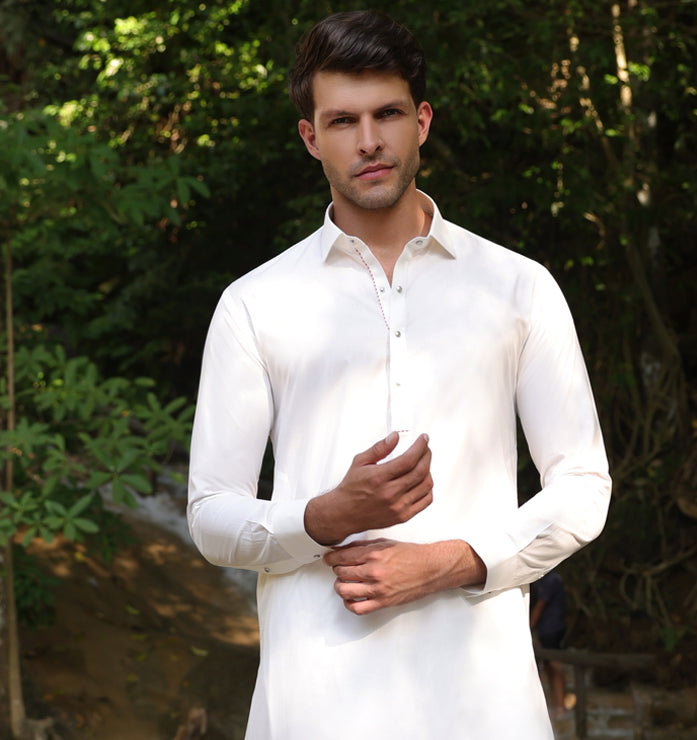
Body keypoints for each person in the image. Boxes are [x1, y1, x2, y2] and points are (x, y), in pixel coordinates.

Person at [187, 10, 611, 740]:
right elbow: (209, 514)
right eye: (342, 121)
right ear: (310, 137)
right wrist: (323, 517)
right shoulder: (255, 304)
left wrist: (455, 561)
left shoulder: (519, 288)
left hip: (486, 706)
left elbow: (583, 486)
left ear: (421, 121)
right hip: (315, 704)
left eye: (386, 114)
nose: (369, 140)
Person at [531, 570, 569, 717]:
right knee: (548, 666)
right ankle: (557, 705)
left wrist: (528, 626)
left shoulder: (551, 579)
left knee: (553, 664)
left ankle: (560, 706)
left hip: (551, 628)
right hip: (546, 628)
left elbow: (540, 605)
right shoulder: (543, 578)